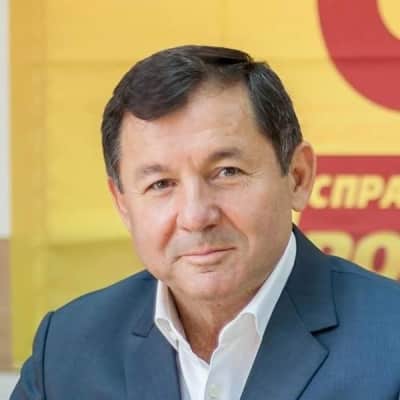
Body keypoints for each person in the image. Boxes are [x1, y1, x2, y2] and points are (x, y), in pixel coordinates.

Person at [11, 45, 400, 400]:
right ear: (123, 203)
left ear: (297, 177)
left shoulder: (390, 341)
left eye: (227, 172)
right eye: (161, 184)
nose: (196, 216)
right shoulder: (65, 350)